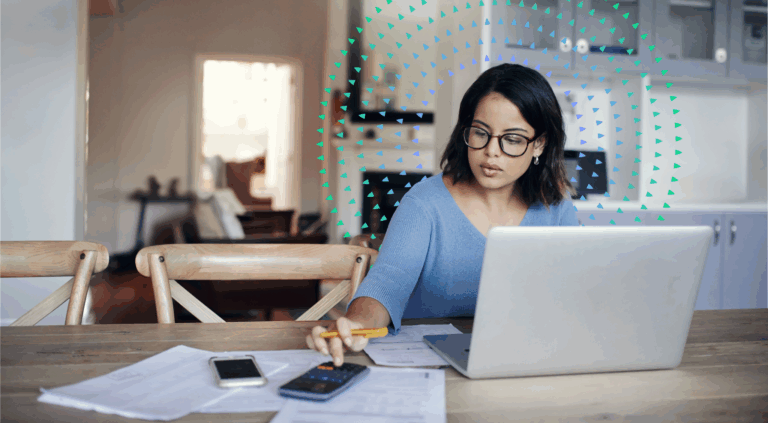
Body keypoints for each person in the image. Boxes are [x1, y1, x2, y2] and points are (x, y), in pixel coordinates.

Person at [307, 64, 579, 366]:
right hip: (429, 366)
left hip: (523, 363)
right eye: (480, 133)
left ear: (539, 144)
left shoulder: (557, 209)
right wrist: (357, 324)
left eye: (512, 139)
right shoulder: (424, 204)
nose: (491, 152)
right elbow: (386, 284)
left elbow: (576, 296)